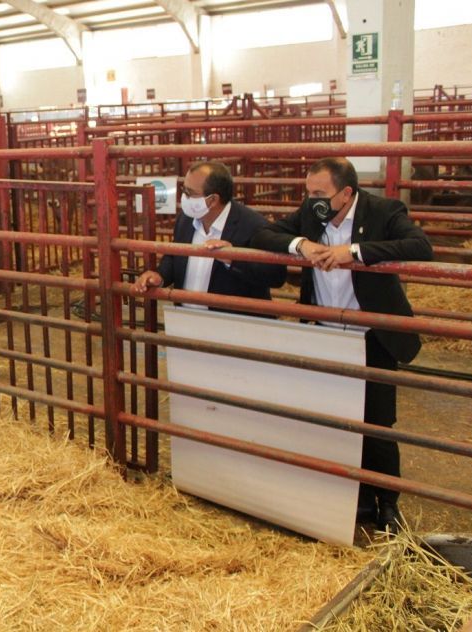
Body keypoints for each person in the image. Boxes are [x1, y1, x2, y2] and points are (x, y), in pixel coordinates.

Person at [252, 157, 433, 533]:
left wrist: (354, 252)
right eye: (309, 192)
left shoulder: (383, 210)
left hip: (371, 335)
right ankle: (355, 495)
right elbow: (263, 236)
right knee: (333, 418)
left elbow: (420, 245)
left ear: (346, 193)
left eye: (320, 193)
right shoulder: (311, 213)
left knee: (378, 423)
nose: (312, 200)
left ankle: (387, 502)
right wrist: (300, 245)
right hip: (323, 333)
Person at [132, 161, 287, 307]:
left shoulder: (253, 225)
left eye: (190, 193)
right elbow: (174, 256)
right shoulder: (186, 219)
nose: (184, 197)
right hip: (186, 318)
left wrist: (234, 259)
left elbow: (276, 276)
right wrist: (161, 276)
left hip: (233, 322)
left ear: (213, 200)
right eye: (183, 190)